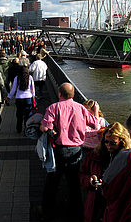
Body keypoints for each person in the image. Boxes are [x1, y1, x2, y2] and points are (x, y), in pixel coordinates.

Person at [38, 82, 99, 221]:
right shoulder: (81, 108)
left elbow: (45, 127)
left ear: (60, 94)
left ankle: (47, 210)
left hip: (59, 150)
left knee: (52, 181)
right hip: (77, 150)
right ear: (73, 94)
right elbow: (95, 124)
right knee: (74, 183)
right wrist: (95, 110)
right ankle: (76, 212)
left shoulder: (53, 107)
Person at [79, 123, 131, 222]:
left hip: (114, 206)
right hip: (94, 204)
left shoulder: (128, 160)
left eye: (112, 143)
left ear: (122, 142)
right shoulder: (94, 155)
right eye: (106, 142)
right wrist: (89, 180)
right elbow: (82, 174)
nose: (108, 145)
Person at [7, 66, 35, 134]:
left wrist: (9, 97)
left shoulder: (17, 78)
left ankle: (19, 129)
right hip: (28, 98)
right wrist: (33, 96)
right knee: (27, 115)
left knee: (19, 114)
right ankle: (26, 129)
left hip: (19, 98)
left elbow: (13, 89)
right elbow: (32, 89)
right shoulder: (30, 77)